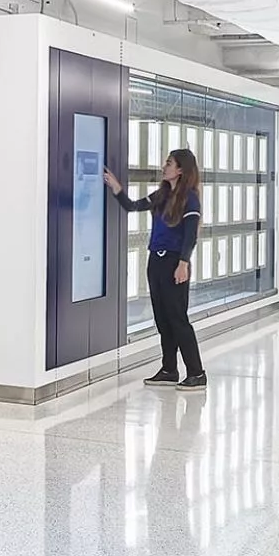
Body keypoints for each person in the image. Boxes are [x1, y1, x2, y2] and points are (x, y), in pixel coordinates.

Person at [103, 148, 205, 388]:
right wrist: (116, 188)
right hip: (156, 262)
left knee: (177, 318)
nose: (164, 167)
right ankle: (169, 369)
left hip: (174, 262)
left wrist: (183, 263)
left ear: (180, 169)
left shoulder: (190, 198)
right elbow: (132, 206)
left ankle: (197, 373)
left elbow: (190, 235)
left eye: (169, 163)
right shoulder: (161, 195)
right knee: (162, 318)